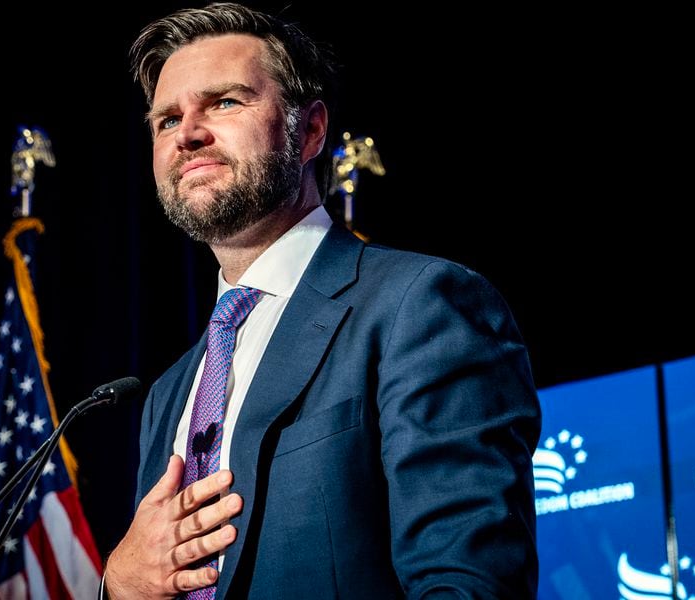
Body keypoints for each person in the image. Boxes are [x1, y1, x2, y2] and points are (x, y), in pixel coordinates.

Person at [104, 4, 541, 598]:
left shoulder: (420, 306)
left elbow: (467, 585)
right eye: (166, 120)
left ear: (308, 131)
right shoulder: (168, 394)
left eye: (225, 102)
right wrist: (119, 586)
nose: (188, 134)